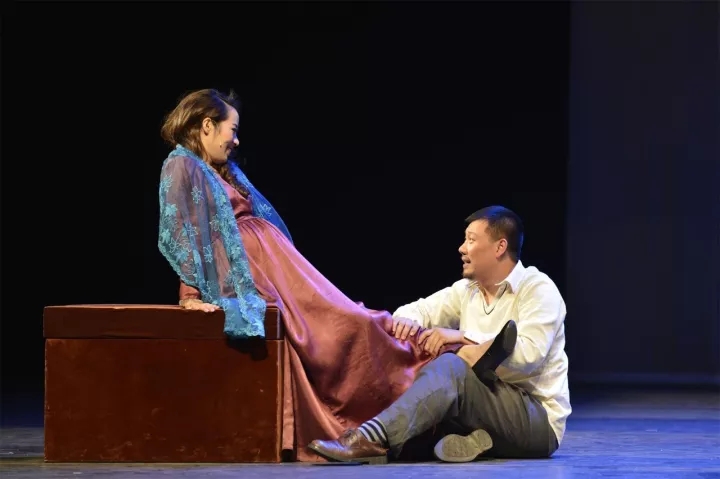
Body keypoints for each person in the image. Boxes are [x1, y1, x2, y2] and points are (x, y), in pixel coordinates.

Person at [156, 88, 515, 462]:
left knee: (352, 318)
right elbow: (183, 231)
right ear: (207, 125)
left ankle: (452, 354)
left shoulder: (219, 170)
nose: (236, 140)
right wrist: (190, 294)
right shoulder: (182, 164)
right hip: (257, 271)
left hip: (275, 265)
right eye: (233, 129)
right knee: (338, 331)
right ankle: (442, 365)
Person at [308, 205, 571, 463]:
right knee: (428, 383)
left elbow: (528, 357)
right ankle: (475, 441)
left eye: (471, 240)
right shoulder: (467, 290)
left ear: (499, 247)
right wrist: (408, 323)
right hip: (486, 405)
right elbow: (415, 310)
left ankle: (369, 438)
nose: (462, 248)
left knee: (451, 367)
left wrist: (462, 337)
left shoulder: (537, 288)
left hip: (537, 422)